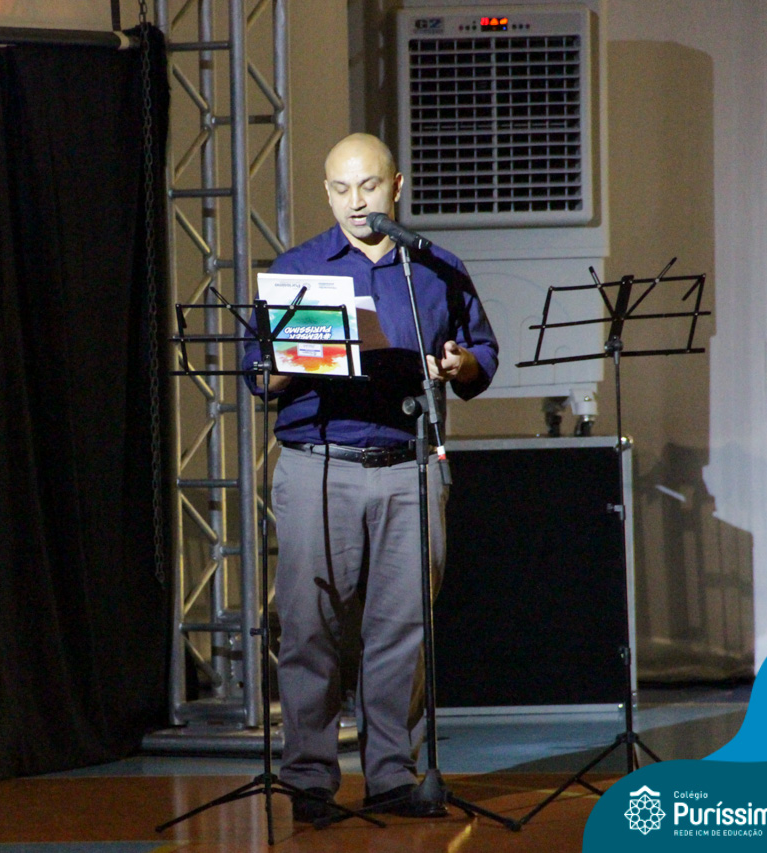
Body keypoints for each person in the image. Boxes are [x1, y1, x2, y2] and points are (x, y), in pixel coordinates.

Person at [241, 133, 498, 822]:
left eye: (369, 186)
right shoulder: (299, 269)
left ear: (397, 185)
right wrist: (291, 361)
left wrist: (460, 364)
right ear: (327, 193)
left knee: (401, 628)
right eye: (341, 188)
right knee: (310, 626)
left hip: (408, 464)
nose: (356, 202)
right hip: (319, 465)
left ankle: (390, 774)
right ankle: (309, 780)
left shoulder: (436, 269)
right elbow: (257, 376)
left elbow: (481, 354)